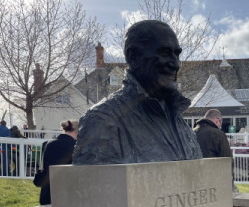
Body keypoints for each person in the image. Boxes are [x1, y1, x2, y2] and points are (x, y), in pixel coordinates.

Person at [73, 20, 202, 165]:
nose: (176, 63)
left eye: (177, 54)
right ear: (133, 56)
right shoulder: (103, 120)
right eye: (165, 53)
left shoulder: (179, 121)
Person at [34, 119, 79, 205]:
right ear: (77, 132)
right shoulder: (77, 146)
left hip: (47, 192)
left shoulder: (48, 143)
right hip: (67, 193)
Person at [194, 109, 238, 191]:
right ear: (218, 120)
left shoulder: (191, 133)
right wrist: (230, 182)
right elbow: (226, 160)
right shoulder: (218, 134)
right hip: (213, 181)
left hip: (194, 179)